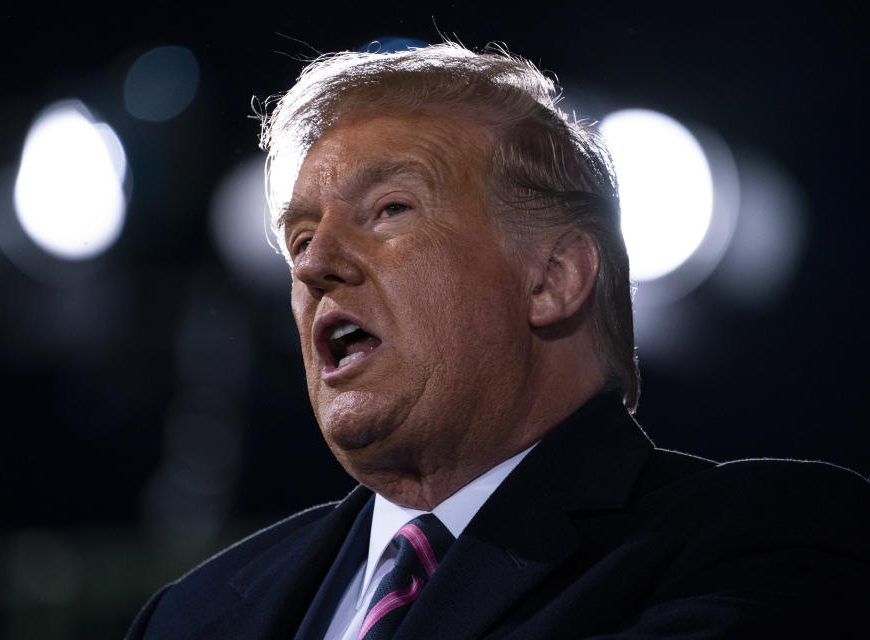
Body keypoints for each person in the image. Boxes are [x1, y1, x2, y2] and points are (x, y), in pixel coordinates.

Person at [126, 42, 870, 639]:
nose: (315, 264)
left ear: (551, 278)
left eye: (388, 209)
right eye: (300, 237)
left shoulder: (763, 539)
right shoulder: (190, 615)